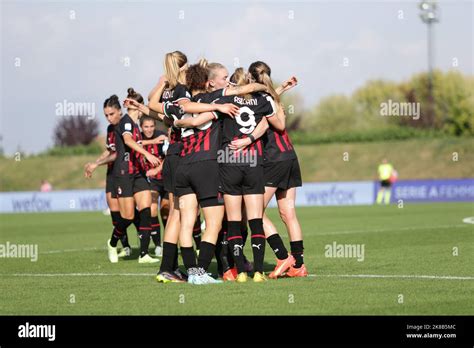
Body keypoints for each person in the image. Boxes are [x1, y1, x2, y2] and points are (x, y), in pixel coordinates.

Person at [107, 87, 160, 264]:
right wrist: (147, 154)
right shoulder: (127, 122)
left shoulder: (135, 125)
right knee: (128, 216)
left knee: (146, 209)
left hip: (137, 173)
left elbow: (136, 143)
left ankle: (144, 254)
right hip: (123, 174)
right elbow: (128, 141)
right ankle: (113, 242)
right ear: (138, 106)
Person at [84, 95, 132, 258]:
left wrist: (97, 164)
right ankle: (125, 246)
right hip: (112, 174)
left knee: (130, 215)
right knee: (115, 214)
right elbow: (109, 150)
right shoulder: (110, 129)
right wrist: (94, 163)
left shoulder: (124, 126)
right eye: (106, 115)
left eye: (111, 114)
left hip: (125, 173)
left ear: (119, 111)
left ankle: (140, 247)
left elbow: (117, 154)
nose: (109, 118)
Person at [140, 116, 169, 257]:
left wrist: (157, 169)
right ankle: (158, 245)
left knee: (165, 212)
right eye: (146, 127)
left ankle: (169, 242)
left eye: (152, 126)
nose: (149, 129)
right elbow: (133, 144)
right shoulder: (138, 139)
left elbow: (169, 156)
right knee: (152, 209)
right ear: (141, 127)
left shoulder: (162, 137)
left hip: (166, 178)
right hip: (151, 181)